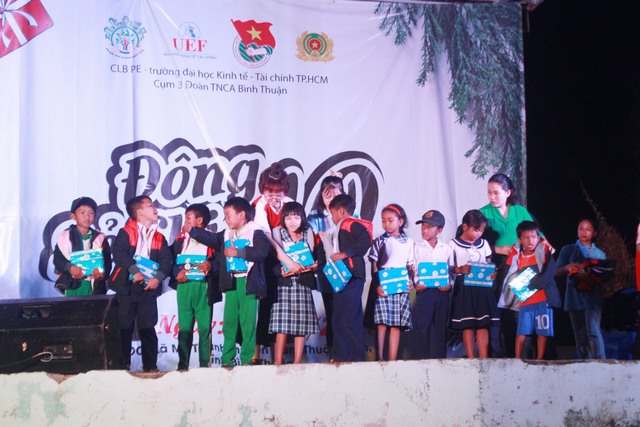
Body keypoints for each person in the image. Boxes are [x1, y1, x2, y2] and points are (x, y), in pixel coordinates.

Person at [185, 197, 271, 367]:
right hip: (232, 283)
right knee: (229, 322)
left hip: (248, 283)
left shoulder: (256, 231)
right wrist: (193, 231)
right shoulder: (226, 233)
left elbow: (262, 252)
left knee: (248, 323)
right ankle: (227, 359)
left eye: (228, 215)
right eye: (225, 216)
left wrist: (238, 252)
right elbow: (211, 239)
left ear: (242, 215)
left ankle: (247, 359)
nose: (226, 219)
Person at [479, 173, 540, 357]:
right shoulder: (483, 213)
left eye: (496, 193)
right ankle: (505, 356)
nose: (492, 197)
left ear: (508, 192)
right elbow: (473, 243)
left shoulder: (519, 211)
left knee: (522, 311)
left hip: (521, 269)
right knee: (502, 312)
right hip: (497, 269)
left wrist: (545, 243)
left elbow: (536, 234)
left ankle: (525, 356)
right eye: (489, 192)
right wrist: (497, 249)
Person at [109, 195, 172, 372]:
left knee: (147, 328)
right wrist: (134, 270)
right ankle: (122, 367)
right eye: (150, 205)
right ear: (139, 212)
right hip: (126, 288)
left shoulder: (159, 237)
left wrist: (157, 278)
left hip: (148, 288)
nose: (155, 209)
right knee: (124, 328)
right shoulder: (125, 232)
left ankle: (150, 367)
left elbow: (166, 260)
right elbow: (119, 254)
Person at [251, 162, 299, 363]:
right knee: (265, 305)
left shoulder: (290, 203)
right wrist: (286, 261)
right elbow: (267, 237)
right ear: (262, 189)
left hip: (289, 258)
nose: (273, 196)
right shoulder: (259, 204)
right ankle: (255, 354)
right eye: (269, 191)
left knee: (282, 307)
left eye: (277, 192)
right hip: (267, 258)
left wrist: (294, 262)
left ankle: (276, 357)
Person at [170, 203, 221, 370]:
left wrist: (211, 265)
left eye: (188, 218)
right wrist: (177, 272)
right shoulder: (180, 240)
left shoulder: (213, 239)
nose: (185, 222)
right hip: (185, 286)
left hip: (203, 286)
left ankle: (205, 365)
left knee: (205, 328)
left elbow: (221, 262)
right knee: (184, 327)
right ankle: (182, 365)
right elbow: (170, 260)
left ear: (200, 220)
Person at [269, 202, 321, 365]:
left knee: (301, 325)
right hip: (284, 285)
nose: (292, 222)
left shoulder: (308, 233)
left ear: (302, 218)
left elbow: (315, 257)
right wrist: (280, 271)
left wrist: (315, 266)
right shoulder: (277, 234)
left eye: (296, 218)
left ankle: (297, 363)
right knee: (281, 325)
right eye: (288, 218)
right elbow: (271, 261)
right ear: (283, 219)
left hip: (303, 284)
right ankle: (278, 362)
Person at [324, 194, 372, 362]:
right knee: (340, 317)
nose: (332, 218)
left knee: (350, 317)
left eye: (332, 214)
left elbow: (365, 241)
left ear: (341, 211)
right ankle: (341, 356)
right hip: (342, 278)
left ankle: (355, 359)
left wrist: (346, 254)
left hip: (352, 276)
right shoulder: (339, 228)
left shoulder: (350, 223)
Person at [505, 221, 560, 360]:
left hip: (543, 299)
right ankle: (517, 358)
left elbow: (551, 269)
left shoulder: (544, 251)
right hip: (525, 301)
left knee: (542, 331)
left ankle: (540, 359)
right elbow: (508, 272)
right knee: (522, 331)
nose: (530, 241)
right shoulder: (517, 255)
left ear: (538, 237)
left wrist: (537, 283)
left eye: (533, 237)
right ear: (520, 240)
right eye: (526, 237)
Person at [449, 210, 499, 359]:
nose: (479, 233)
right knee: (468, 324)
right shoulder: (453, 244)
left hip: (482, 287)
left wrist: (493, 273)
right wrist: (460, 269)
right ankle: (471, 359)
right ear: (465, 226)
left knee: (483, 323)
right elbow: (449, 267)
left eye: (481, 230)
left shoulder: (484, 244)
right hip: (464, 287)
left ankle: (484, 358)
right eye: (476, 230)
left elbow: (489, 263)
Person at [555, 218, 607, 359]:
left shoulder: (599, 254)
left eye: (588, 229)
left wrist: (589, 274)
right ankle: (586, 364)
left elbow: (604, 277)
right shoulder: (568, 250)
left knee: (593, 331)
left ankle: (601, 363)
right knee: (580, 337)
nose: (584, 232)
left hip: (592, 298)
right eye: (581, 229)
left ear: (594, 233)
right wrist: (566, 268)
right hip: (574, 297)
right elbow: (556, 272)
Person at [369, 204, 414, 361]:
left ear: (400, 221)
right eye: (383, 221)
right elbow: (374, 266)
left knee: (396, 323)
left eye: (390, 220)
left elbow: (410, 266)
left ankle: (392, 359)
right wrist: (377, 285)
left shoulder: (408, 242)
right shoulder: (380, 241)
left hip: (401, 285)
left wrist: (411, 281)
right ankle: (380, 358)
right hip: (384, 284)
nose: (386, 224)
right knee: (381, 322)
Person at [307, 173, 345, 358]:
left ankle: (347, 354)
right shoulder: (315, 217)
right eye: (327, 195)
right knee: (331, 312)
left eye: (336, 194)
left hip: (345, 268)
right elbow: (310, 243)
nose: (331, 198)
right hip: (326, 268)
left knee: (345, 312)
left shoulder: (351, 213)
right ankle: (333, 355)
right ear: (321, 196)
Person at [411, 210, 453, 359]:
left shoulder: (446, 249)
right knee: (422, 327)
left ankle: (439, 361)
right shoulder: (416, 247)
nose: (424, 230)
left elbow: (450, 272)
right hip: (424, 293)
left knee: (440, 328)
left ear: (439, 230)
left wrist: (449, 285)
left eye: (429, 227)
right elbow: (413, 269)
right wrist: (417, 283)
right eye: (423, 226)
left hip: (442, 293)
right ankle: (421, 361)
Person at [53, 197, 111, 296]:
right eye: (82, 213)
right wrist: (70, 268)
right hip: (72, 285)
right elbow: (58, 259)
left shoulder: (100, 238)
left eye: (91, 213)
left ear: (95, 216)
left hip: (94, 285)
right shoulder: (65, 237)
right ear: (73, 216)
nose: (87, 216)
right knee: (72, 305)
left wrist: (102, 273)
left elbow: (107, 262)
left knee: (94, 306)